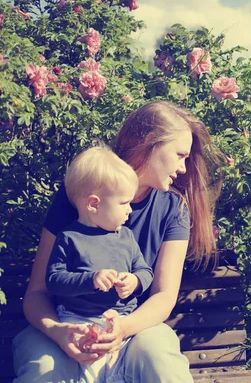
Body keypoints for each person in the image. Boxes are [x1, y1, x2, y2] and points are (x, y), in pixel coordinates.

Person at [12, 100, 223, 383]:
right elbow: (37, 292)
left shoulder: (173, 208)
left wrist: (122, 329)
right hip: (64, 327)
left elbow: (164, 296)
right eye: (179, 155)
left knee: (160, 357)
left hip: (133, 331)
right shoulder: (79, 197)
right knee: (44, 369)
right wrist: (59, 331)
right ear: (150, 142)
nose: (184, 168)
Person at [45, 146, 154, 382]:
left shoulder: (126, 237)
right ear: (94, 204)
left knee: (121, 372)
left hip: (122, 318)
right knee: (90, 370)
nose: (130, 210)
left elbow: (145, 271)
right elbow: (54, 280)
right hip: (78, 319)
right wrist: (90, 280)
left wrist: (135, 282)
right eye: (124, 203)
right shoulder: (69, 238)